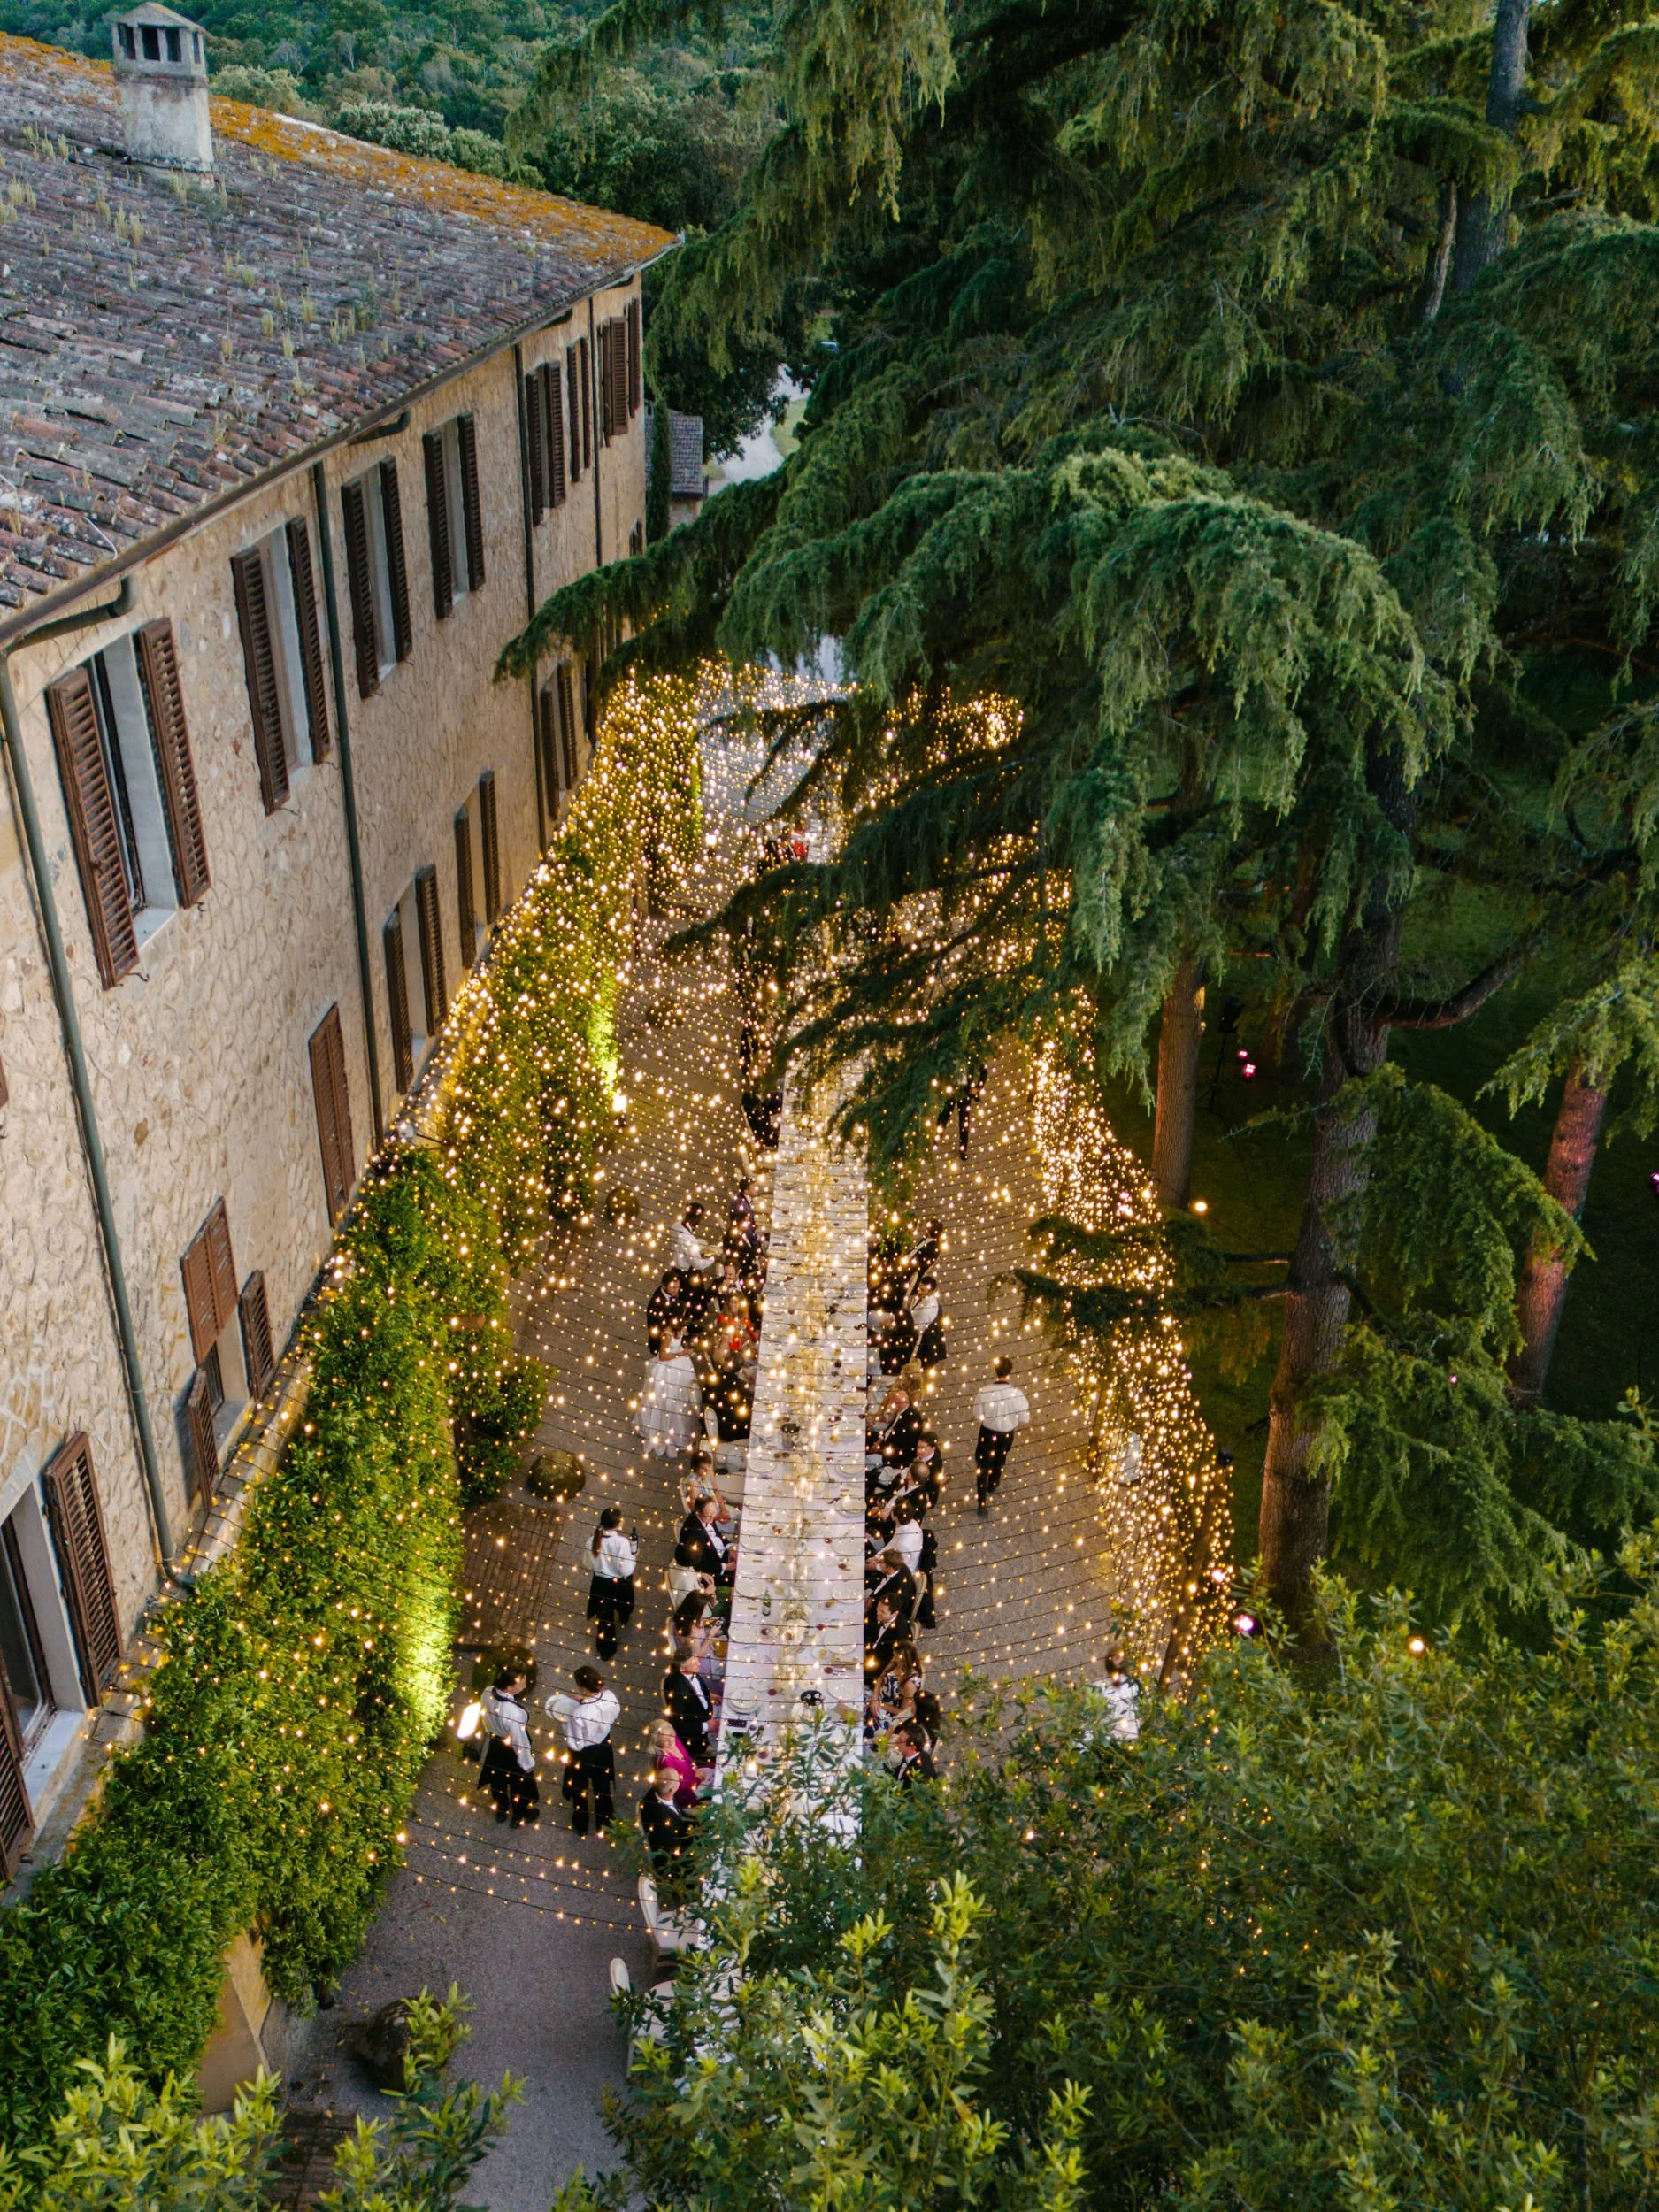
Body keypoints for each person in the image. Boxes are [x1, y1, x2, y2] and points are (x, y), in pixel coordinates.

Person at [546, 1663, 619, 1836]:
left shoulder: (579, 1714)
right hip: (603, 1747)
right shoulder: (610, 1696)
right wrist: (583, 1700)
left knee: (580, 1788)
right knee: (602, 1786)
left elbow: (574, 1742)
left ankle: (581, 1823)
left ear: (582, 1688)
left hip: (583, 1753)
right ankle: (605, 1822)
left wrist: (565, 1721)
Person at [478, 1669, 539, 1826]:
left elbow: (484, 1714)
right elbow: (520, 1741)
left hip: (496, 1744)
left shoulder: (487, 1692)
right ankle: (519, 1815)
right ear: (510, 1688)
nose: (525, 1685)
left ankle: (501, 1809)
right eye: (521, 1683)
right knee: (519, 1783)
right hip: (511, 1747)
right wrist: (527, 1763)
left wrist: (490, 1730)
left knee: (497, 1778)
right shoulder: (514, 1712)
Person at [972, 1354, 1031, 1515]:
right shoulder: (1017, 1395)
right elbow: (1025, 1418)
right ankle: (993, 1482)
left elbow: (978, 1415)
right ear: (1009, 1372)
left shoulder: (984, 1392)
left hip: (988, 1432)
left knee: (982, 1465)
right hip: (1006, 1433)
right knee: (1000, 1459)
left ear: (995, 1371)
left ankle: (982, 1501)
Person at [637, 1333, 701, 1458]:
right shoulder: (667, 1334)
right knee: (664, 1401)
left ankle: (676, 1432)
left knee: (681, 1399)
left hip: (681, 1365)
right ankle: (660, 1430)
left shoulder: (680, 1328)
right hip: (668, 1369)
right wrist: (681, 1354)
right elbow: (663, 1356)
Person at [586, 1507, 637, 1659]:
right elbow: (626, 1569)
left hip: (601, 1583)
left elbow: (588, 1563)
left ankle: (606, 1650)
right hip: (620, 1583)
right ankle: (624, 1616)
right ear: (619, 1524)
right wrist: (634, 1555)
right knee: (625, 1602)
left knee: (605, 1619)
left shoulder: (592, 1540)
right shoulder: (622, 1543)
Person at [664, 1639, 715, 1763]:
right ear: (683, 1669)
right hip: (698, 1737)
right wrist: (706, 1726)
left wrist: (710, 1695)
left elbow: (697, 1691)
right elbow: (679, 1726)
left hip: (707, 1714)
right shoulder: (678, 1692)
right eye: (694, 1662)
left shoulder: (690, 1672)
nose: (699, 1663)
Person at [640, 1767, 695, 1872]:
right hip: (677, 1858)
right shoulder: (663, 1823)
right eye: (677, 1780)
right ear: (672, 1790)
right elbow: (677, 1851)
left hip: (681, 1830)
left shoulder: (658, 1791)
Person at [1093, 1645, 1141, 1743]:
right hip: (1111, 1738)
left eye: (1122, 1658)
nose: (1121, 1660)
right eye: (1117, 1658)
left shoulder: (1134, 1685)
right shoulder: (1100, 1686)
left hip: (1129, 1736)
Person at [678, 1493, 732, 1582]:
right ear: (698, 1513)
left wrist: (730, 1547)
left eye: (714, 1513)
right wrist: (726, 1566)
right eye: (708, 1516)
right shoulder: (694, 1533)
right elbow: (700, 1564)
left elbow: (717, 1535)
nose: (712, 1519)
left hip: (724, 1553)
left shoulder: (708, 1516)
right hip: (714, 1569)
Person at [651, 1717, 703, 1807]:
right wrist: (697, 1779)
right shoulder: (666, 1762)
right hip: (688, 1792)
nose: (671, 1741)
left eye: (671, 1735)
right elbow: (679, 1786)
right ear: (658, 1744)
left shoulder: (675, 1739)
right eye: (665, 1741)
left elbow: (687, 1757)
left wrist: (694, 1768)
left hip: (695, 1774)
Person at [646, 1270, 687, 1357]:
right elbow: (656, 1329)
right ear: (664, 1286)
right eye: (672, 1288)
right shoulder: (656, 1306)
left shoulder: (670, 1293)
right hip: (660, 1342)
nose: (676, 1290)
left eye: (677, 1287)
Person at [911, 1276, 946, 1374]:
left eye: (922, 1290)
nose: (918, 1291)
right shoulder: (928, 1299)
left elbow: (915, 1329)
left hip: (922, 1342)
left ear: (930, 1292)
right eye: (919, 1287)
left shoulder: (925, 1311)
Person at [893, 1721, 938, 1787]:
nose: (896, 1741)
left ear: (912, 1747)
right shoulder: (915, 1754)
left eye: (900, 1740)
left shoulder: (918, 1776)